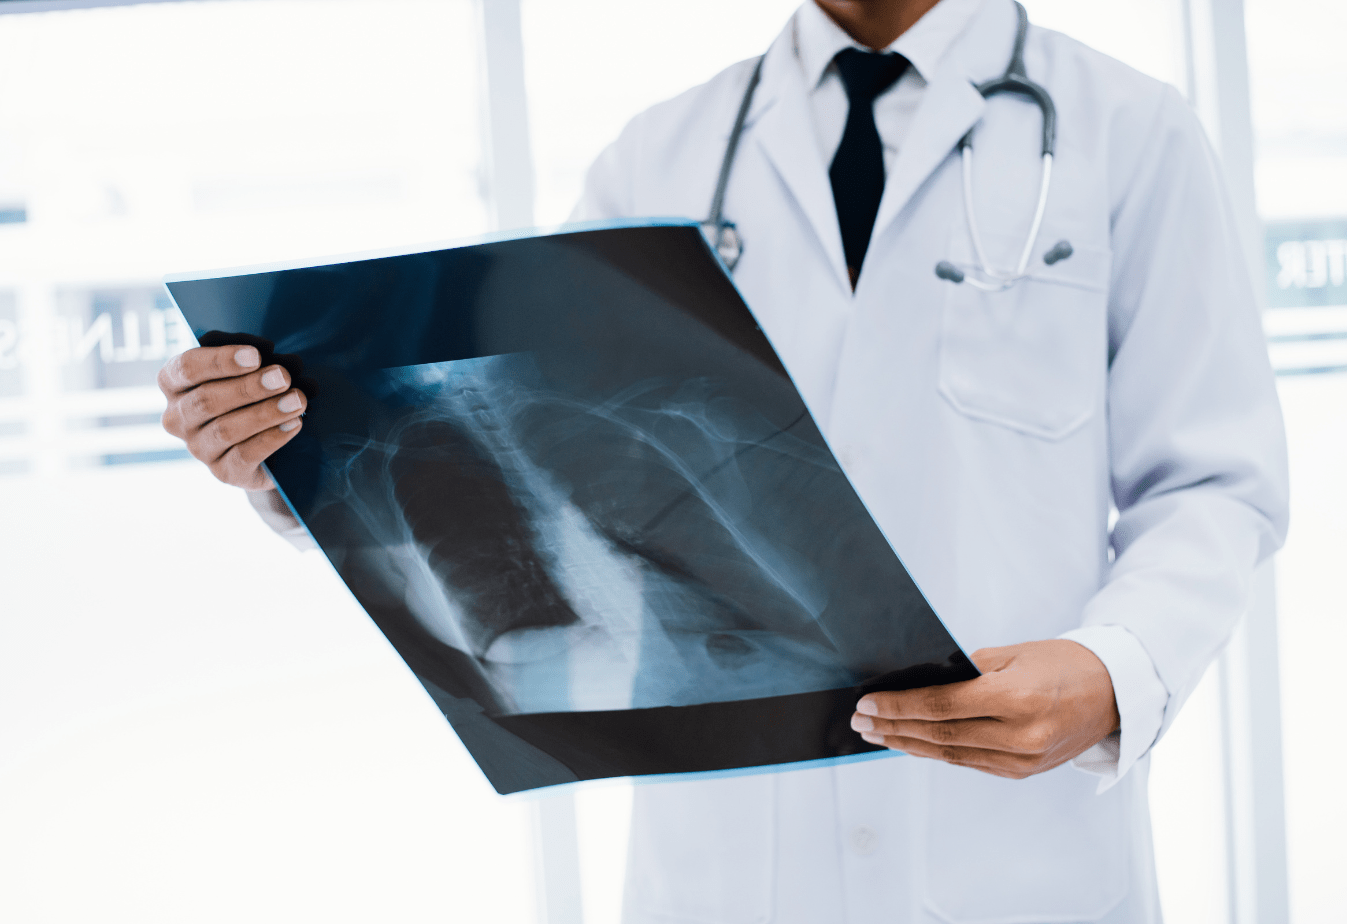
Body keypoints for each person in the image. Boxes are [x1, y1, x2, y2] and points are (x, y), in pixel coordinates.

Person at [158, 0, 1289, 919]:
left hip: (1014, 858)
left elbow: (1213, 481)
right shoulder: (658, 156)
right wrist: (291, 455)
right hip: (729, 868)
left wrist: (1113, 672)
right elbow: (522, 449)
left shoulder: (1130, 132)